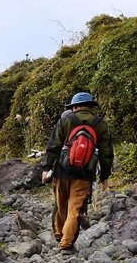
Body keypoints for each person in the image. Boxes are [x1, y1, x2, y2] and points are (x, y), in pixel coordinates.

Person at [40, 92, 114, 252]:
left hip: (62, 171)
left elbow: (53, 146)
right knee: (76, 209)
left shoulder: (65, 120)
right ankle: (66, 244)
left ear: (73, 107)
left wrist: (46, 168)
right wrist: (105, 176)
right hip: (85, 174)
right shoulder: (101, 124)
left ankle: (60, 235)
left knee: (60, 205)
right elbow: (106, 153)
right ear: (91, 106)